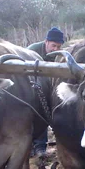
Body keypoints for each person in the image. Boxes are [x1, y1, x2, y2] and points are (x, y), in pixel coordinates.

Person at [28, 27, 64, 156]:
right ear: (46, 42)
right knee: (36, 112)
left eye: (59, 46)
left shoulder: (61, 55)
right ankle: (30, 145)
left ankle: (40, 147)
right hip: (33, 85)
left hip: (51, 86)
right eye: (53, 45)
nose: (56, 49)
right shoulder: (32, 50)